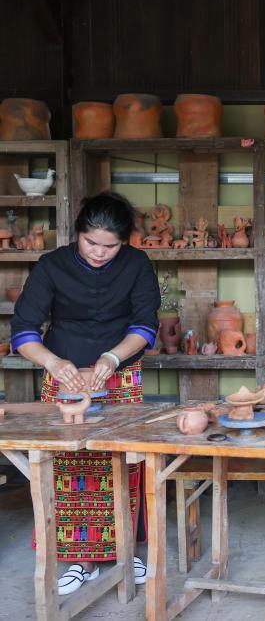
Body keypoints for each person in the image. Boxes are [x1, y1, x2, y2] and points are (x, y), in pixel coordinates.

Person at [11, 192, 159, 595]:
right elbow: (23, 331)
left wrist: (112, 358)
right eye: (91, 242)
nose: (99, 252)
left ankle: (127, 550)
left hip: (118, 373)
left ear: (124, 242)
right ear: (78, 233)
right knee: (70, 469)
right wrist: (53, 363)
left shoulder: (136, 264)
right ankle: (81, 558)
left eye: (110, 246)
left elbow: (145, 325)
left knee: (124, 463)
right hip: (65, 377)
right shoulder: (51, 265)